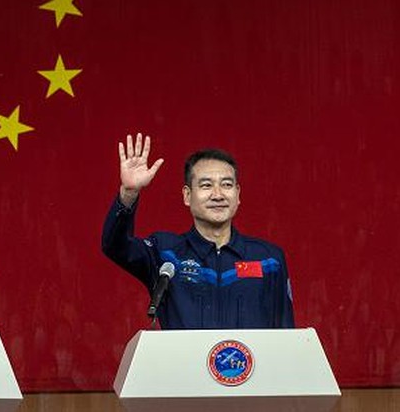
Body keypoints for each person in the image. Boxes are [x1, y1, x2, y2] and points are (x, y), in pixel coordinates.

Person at [101, 133, 294, 329]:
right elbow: (115, 245)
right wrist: (129, 193)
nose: (217, 194)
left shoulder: (269, 259)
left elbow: (286, 336)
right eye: (206, 185)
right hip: (183, 361)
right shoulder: (165, 254)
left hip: (250, 361)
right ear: (187, 195)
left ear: (237, 195)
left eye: (226, 185)